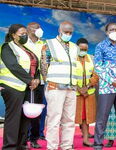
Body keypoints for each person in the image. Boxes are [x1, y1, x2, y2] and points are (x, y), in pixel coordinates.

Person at [0, 24, 40, 149]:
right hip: (12, 87)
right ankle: (10, 147)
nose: (24, 36)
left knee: (25, 118)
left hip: (28, 87)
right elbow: (12, 65)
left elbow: (34, 66)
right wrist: (30, 80)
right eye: (21, 34)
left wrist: (37, 79)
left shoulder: (26, 49)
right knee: (14, 118)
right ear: (13, 35)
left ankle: (21, 145)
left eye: (25, 33)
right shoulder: (7, 47)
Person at [41, 21, 79, 150]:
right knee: (54, 119)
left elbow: (74, 67)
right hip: (55, 87)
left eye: (70, 32)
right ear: (59, 30)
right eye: (66, 32)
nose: (68, 34)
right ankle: (52, 147)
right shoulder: (49, 44)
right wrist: (49, 83)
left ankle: (66, 146)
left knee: (69, 120)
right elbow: (43, 66)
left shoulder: (75, 47)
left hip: (71, 88)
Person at [25, 22, 46, 149]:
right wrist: (28, 79)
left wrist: (39, 79)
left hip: (40, 82)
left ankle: (34, 139)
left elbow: (44, 63)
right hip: (25, 82)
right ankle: (24, 139)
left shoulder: (43, 44)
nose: (40, 30)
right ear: (29, 30)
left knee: (37, 113)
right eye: (37, 28)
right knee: (25, 112)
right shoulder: (23, 43)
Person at [75, 38, 98, 147]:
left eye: (85, 49)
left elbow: (96, 75)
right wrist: (79, 89)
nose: (83, 50)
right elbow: (70, 75)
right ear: (77, 48)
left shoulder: (92, 59)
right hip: (75, 94)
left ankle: (85, 139)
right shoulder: (72, 58)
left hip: (89, 93)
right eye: (81, 48)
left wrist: (87, 87)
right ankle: (68, 141)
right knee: (71, 118)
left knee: (86, 118)